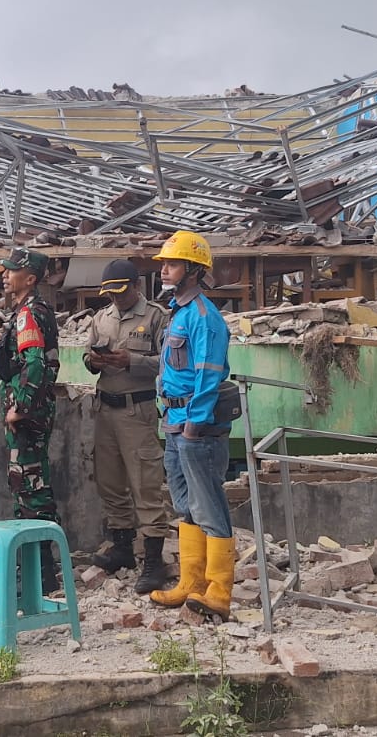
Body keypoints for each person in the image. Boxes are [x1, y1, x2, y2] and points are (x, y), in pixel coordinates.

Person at [147, 231, 237, 621]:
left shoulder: (204, 317)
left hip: (195, 427)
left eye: (172, 263)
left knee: (209, 506)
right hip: (174, 422)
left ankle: (218, 592)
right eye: (165, 263)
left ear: (194, 270)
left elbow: (209, 374)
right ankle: (191, 583)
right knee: (185, 506)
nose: (164, 269)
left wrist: (194, 424)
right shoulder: (178, 312)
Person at [83, 259, 170, 593]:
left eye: (121, 292)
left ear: (136, 286)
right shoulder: (101, 318)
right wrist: (95, 360)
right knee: (110, 480)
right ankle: (122, 547)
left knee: (145, 484)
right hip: (105, 408)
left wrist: (131, 361)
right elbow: (88, 359)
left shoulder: (156, 317)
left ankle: (153, 561)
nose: (116, 299)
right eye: (111, 294)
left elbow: (168, 362)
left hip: (138, 410)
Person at [0, 247, 63, 594]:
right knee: (29, 486)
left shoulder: (29, 314)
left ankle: (40, 574)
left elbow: (34, 363)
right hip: (35, 411)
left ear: (30, 278)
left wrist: (19, 407)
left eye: (11, 270)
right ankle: (37, 569)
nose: (4, 275)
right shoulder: (30, 311)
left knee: (30, 487)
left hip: (29, 415)